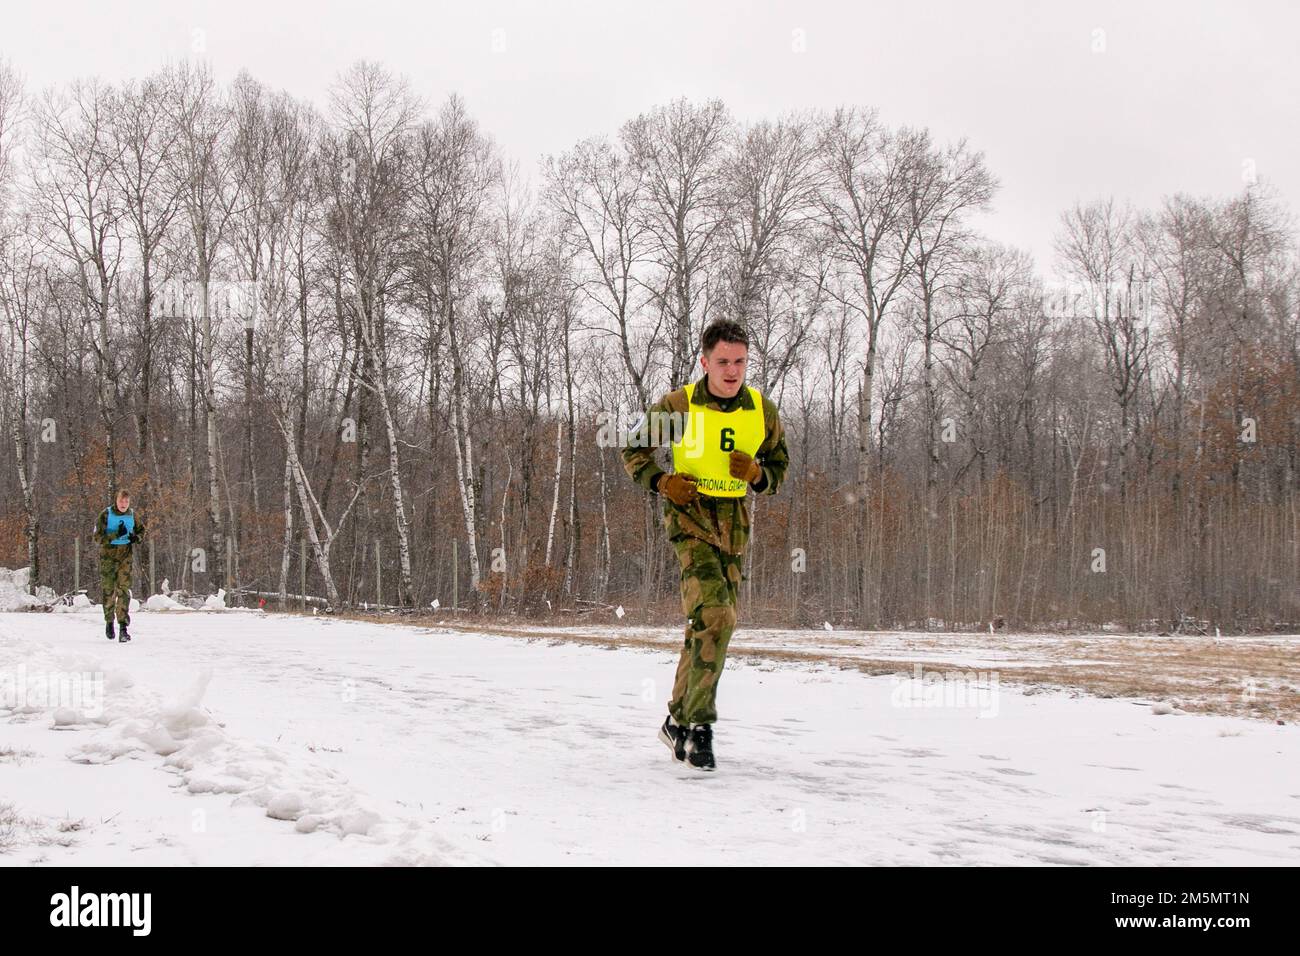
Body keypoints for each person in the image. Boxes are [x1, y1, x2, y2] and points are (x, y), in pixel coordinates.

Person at [621, 319, 789, 770]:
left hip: (734, 526)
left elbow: (778, 466)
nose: (732, 371)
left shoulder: (762, 410)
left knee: (706, 624)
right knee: (717, 615)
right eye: (723, 362)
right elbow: (632, 448)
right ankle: (699, 727)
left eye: (740, 362)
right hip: (690, 517)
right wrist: (662, 482)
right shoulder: (678, 405)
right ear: (704, 362)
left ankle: (676, 721)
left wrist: (758, 475)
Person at [92, 488, 144, 642]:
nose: (123, 504)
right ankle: (109, 621)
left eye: (126, 501)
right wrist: (115, 535)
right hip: (108, 558)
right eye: (121, 501)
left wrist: (136, 538)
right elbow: (97, 537)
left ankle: (123, 627)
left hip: (125, 558)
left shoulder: (133, 515)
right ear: (116, 500)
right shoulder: (106, 514)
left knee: (123, 591)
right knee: (109, 590)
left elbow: (142, 530)